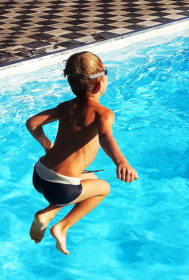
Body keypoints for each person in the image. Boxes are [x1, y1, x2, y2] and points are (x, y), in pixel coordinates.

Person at [26, 51, 138, 255]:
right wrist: (121, 162)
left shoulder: (66, 106)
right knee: (103, 187)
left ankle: (48, 214)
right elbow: (106, 137)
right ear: (99, 84)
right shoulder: (102, 113)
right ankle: (61, 226)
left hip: (39, 174)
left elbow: (32, 123)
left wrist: (47, 144)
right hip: (60, 189)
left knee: (91, 177)